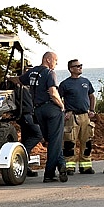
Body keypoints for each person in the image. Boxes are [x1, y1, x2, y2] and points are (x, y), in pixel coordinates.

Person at [19, 52, 67, 183]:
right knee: (55, 142)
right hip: (51, 109)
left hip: (38, 110)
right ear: (48, 59)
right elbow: (53, 92)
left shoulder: (32, 72)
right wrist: (62, 106)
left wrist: (8, 78)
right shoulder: (49, 73)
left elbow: (19, 80)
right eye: (55, 60)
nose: (56, 63)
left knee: (51, 140)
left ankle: (62, 164)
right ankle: (49, 174)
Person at [58, 59, 96, 174]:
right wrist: (64, 111)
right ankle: (69, 167)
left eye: (81, 65)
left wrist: (92, 110)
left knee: (87, 142)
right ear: (71, 69)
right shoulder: (65, 84)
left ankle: (86, 166)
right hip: (72, 118)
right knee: (69, 143)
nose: (80, 67)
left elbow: (92, 96)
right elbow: (58, 99)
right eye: (77, 66)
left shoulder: (86, 82)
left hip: (85, 116)